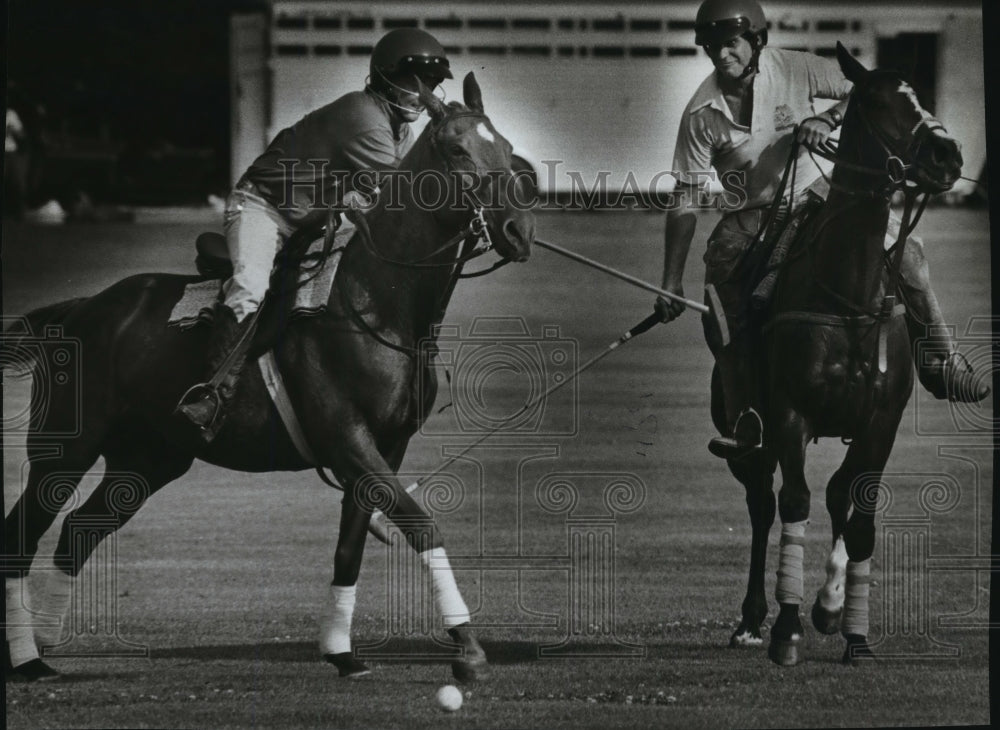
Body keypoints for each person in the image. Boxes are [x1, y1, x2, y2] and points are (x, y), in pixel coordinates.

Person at [656, 0, 989, 460]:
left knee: (908, 255)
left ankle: (942, 359)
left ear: (756, 41)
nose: (720, 55)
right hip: (750, 217)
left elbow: (869, 86)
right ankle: (743, 416)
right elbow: (685, 199)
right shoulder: (701, 113)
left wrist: (827, 118)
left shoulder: (796, 68)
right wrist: (671, 281)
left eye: (730, 44)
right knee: (723, 306)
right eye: (712, 47)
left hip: (820, 196)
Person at [176, 28, 453, 441]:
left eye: (431, 84)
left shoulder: (400, 131)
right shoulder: (364, 118)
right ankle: (212, 394)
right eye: (416, 82)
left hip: (313, 218)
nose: (424, 93)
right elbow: (405, 200)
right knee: (251, 286)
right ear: (385, 77)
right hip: (263, 208)